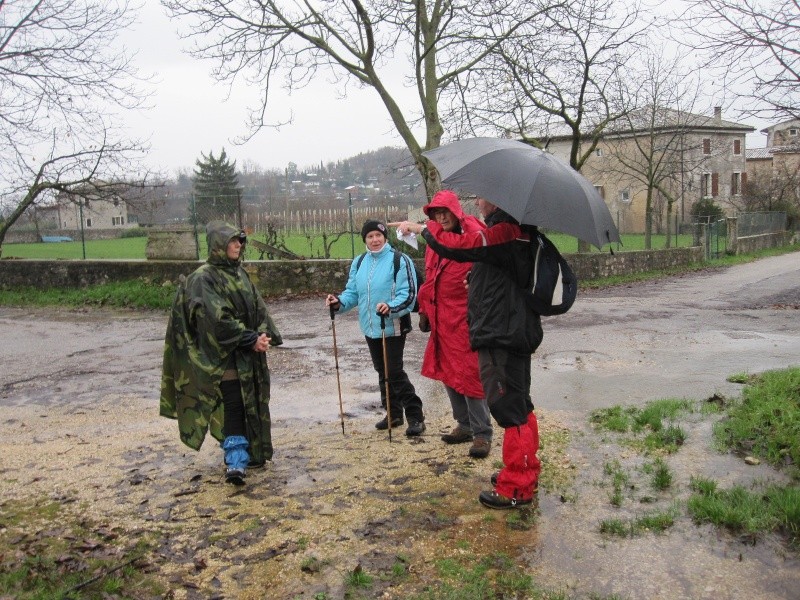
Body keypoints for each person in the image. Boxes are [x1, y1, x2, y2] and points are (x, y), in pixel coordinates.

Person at [394, 197, 542, 509]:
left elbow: (461, 246)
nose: (478, 201)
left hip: (502, 332)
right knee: (519, 405)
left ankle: (518, 486)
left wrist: (424, 230)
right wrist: (477, 277)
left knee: (509, 409)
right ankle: (524, 471)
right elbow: (499, 272)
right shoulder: (516, 232)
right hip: (509, 329)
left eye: (485, 195)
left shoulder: (505, 231)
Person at [160, 220, 283, 485]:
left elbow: (257, 307)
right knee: (233, 403)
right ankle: (235, 460)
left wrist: (263, 335)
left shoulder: (239, 274)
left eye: (241, 241)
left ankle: (253, 453)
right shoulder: (203, 278)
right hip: (221, 356)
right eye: (233, 241)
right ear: (219, 245)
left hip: (247, 353)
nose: (239, 245)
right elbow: (215, 318)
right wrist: (249, 338)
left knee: (251, 400)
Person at [399, 190, 493, 458]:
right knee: (449, 374)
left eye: (445, 212)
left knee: (470, 376)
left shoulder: (471, 231)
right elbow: (431, 280)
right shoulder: (435, 242)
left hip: (466, 320)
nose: (441, 217)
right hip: (443, 322)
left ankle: (482, 433)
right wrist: (425, 310)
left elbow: (478, 264)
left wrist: (423, 228)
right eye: (436, 213)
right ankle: (464, 424)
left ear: (456, 211)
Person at [325, 219, 426, 436]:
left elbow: (408, 295)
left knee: (394, 371)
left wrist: (390, 307)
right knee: (382, 370)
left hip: (393, 324)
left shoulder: (400, 260)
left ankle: (415, 416)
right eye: (370, 236)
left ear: (385, 237)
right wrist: (339, 303)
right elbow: (353, 292)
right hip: (370, 326)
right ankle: (393, 413)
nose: (375, 240)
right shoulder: (360, 262)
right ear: (365, 240)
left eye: (378, 235)